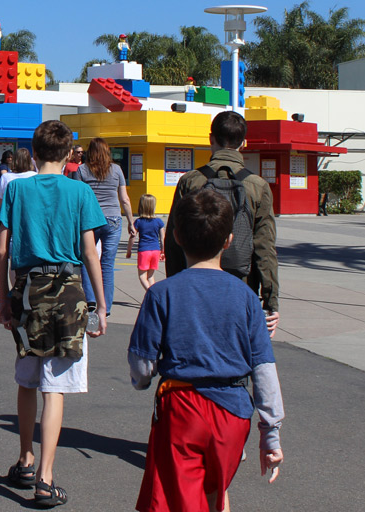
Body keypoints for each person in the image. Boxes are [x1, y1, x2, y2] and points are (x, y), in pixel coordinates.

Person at [128, 189, 284, 512]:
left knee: (182, 499)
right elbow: (264, 370)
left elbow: (142, 366)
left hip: (183, 409)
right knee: (217, 492)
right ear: (228, 241)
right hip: (234, 414)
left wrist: (144, 379)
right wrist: (271, 436)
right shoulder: (245, 298)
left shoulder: (161, 294)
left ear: (177, 237)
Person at [0, 120, 107, 507]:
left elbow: (1, 250)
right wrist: (99, 305)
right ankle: (45, 477)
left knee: (27, 376)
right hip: (68, 290)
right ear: (68, 153)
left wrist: (4, 298)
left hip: (26, 290)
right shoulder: (80, 192)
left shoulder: (16, 189)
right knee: (55, 384)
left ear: (35, 151)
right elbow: (91, 252)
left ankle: (25, 458)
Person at [164, 111, 280, 337]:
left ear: (211, 138)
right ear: (243, 143)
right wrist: (270, 301)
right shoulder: (258, 186)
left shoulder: (190, 181)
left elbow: (173, 240)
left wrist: (174, 289)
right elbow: (265, 248)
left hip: (193, 286)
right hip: (241, 286)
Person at [76, 137, 136, 317]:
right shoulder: (116, 169)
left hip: (90, 220)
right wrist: (131, 222)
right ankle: (106, 307)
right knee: (107, 264)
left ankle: (91, 302)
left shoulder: (82, 170)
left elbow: (78, 197)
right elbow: (124, 198)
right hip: (113, 219)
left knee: (88, 261)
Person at [127, 194, 166, 293]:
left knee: (142, 276)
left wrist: (129, 250)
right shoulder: (159, 222)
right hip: (155, 250)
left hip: (144, 251)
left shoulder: (139, 222)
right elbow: (162, 238)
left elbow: (133, 237)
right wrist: (163, 251)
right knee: (150, 276)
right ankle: (153, 295)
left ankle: (152, 294)